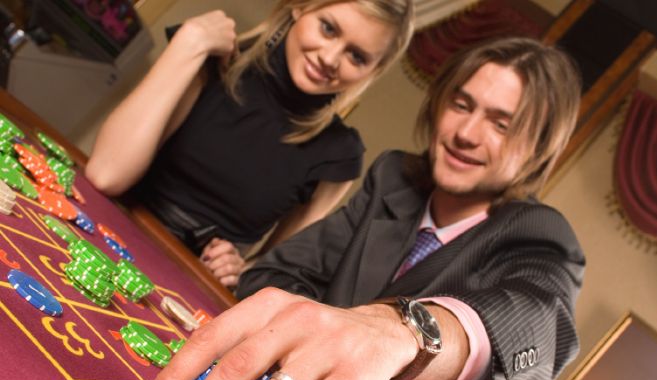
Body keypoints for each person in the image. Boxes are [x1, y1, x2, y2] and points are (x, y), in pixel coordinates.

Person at [142, 37, 585, 380]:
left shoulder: (540, 235)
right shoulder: (394, 180)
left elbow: (540, 325)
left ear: (538, 147)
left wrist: (401, 337)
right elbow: (271, 276)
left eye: (501, 124)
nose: (466, 132)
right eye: (461, 104)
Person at [85, 1, 414, 288]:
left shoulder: (339, 155)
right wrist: (191, 41)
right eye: (328, 28)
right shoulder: (211, 59)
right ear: (300, 5)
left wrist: (241, 270)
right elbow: (106, 174)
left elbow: (275, 272)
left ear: (374, 70)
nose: (330, 58)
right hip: (106, 234)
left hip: (187, 294)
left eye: (356, 56)